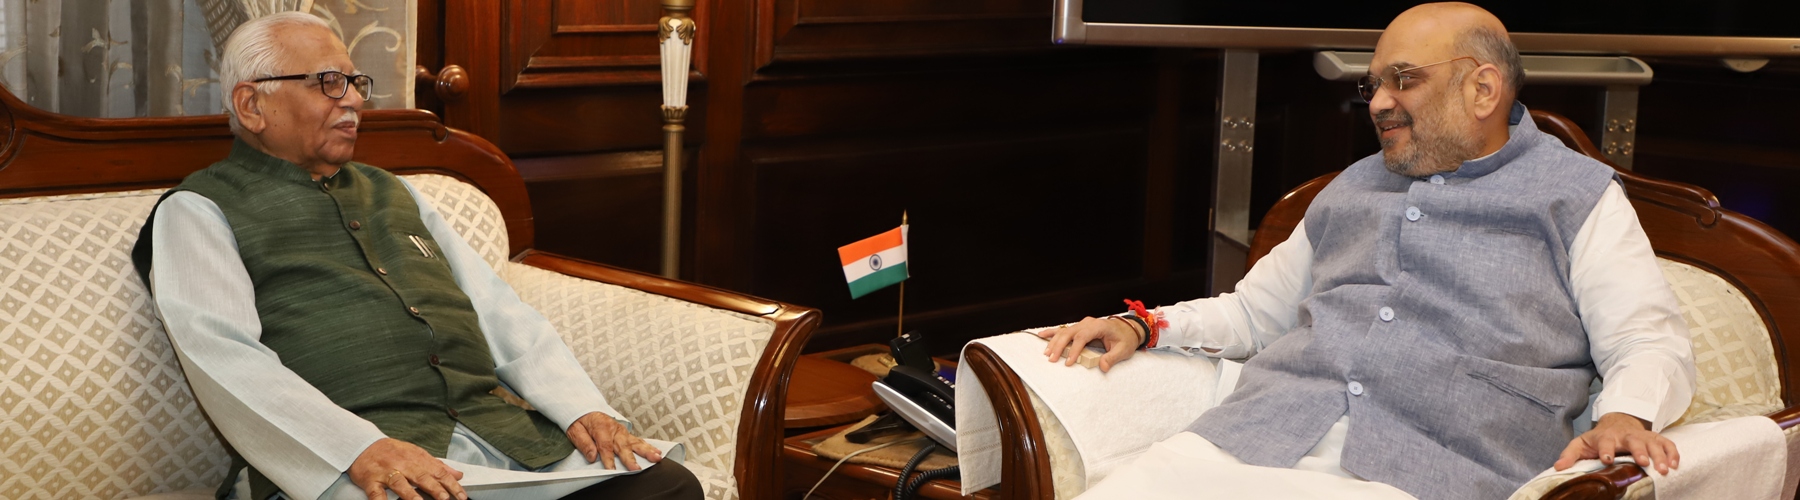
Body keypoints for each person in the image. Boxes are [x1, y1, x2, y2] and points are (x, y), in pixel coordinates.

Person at [1037, 4, 1695, 499]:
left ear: (1483, 90)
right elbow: (1253, 315)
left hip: (1434, 473)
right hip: (1246, 443)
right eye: (1374, 83)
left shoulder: (1575, 197)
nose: (1378, 102)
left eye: (1402, 80)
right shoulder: (1349, 187)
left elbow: (1647, 339)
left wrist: (1624, 416)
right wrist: (1142, 325)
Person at [130, 12, 703, 500]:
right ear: (252, 104)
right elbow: (224, 357)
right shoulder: (200, 210)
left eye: (355, 81)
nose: (353, 99)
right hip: (362, 461)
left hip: (496, 438)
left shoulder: (396, 192)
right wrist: (357, 447)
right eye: (328, 82)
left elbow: (497, 310)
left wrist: (582, 409)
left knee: (666, 488)